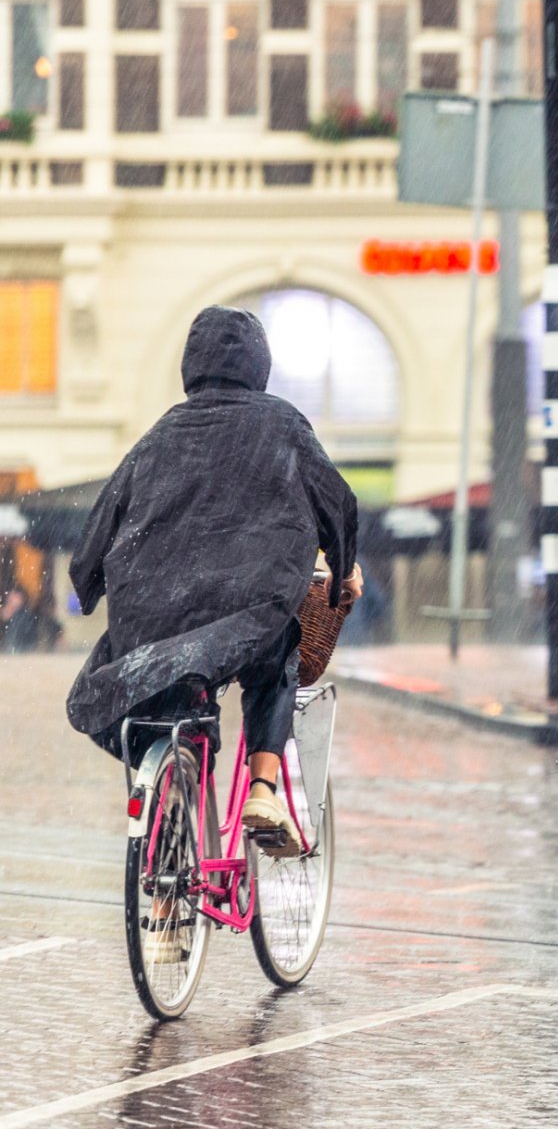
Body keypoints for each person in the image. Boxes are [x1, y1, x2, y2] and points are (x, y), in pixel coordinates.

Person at [68, 306, 361, 860]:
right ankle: (262, 791)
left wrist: (88, 589)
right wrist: (342, 570)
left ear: (190, 367)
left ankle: (168, 800)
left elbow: (98, 527)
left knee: (147, 696)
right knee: (278, 655)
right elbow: (337, 503)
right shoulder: (282, 424)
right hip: (245, 611)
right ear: (259, 366)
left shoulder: (160, 434)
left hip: (153, 620)